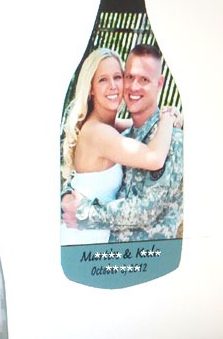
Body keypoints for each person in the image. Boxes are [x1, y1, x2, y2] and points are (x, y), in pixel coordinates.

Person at [61, 44, 183, 243]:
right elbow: (153, 157)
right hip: (84, 238)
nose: (113, 86)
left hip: (117, 244)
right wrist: (168, 118)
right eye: (102, 80)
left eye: (117, 77)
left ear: (159, 83)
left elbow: (140, 126)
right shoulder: (100, 132)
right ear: (90, 88)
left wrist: (168, 116)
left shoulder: (120, 131)